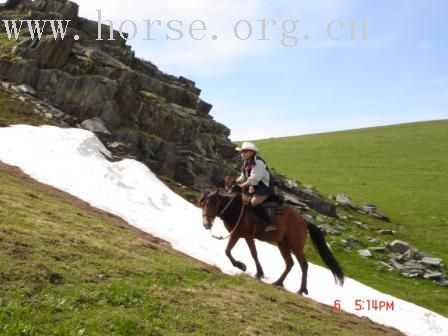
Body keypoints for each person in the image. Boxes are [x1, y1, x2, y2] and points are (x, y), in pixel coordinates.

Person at [236, 142, 276, 231]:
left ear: (251, 152)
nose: (242, 153)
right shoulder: (246, 163)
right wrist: (235, 182)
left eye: (244, 151)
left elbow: (254, 178)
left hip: (264, 188)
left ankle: (269, 223)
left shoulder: (258, 162)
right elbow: (243, 176)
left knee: (253, 203)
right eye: (242, 152)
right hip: (255, 187)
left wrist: (241, 186)